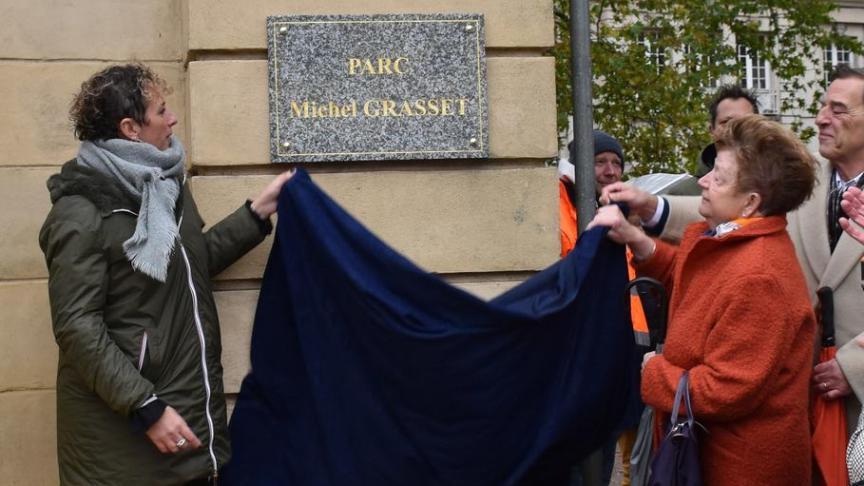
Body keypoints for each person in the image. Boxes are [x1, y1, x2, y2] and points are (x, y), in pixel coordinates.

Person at [38, 64, 294, 485]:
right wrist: (146, 406)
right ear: (131, 128)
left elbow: (187, 268)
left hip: (186, 424)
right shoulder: (80, 211)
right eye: (161, 111)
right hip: (125, 448)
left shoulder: (166, 186)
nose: (173, 118)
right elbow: (76, 325)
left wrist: (255, 215)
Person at [603, 67, 864, 440]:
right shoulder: (806, 176)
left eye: (838, 109)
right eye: (822, 106)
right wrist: (650, 208)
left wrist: (856, 368)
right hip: (793, 399)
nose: (821, 118)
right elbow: (731, 207)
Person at [588, 114, 817, 485]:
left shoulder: (761, 276)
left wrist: (654, 371)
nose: (704, 181)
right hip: (706, 457)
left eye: (719, 177)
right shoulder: (737, 241)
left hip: (738, 468)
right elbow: (699, 280)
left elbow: (727, 389)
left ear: (750, 203)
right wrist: (638, 240)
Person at [560, 131, 646, 486]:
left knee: (607, 453)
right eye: (600, 162)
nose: (611, 171)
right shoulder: (562, 206)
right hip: (576, 353)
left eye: (617, 163)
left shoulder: (615, 215)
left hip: (620, 351)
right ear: (579, 165)